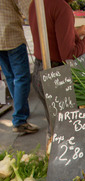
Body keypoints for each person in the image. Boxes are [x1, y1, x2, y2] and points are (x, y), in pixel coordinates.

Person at [29, 0, 85, 134]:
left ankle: (51, 149)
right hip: (55, 75)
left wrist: (75, 32)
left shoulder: (36, 3)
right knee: (66, 131)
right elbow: (69, 54)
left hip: (39, 71)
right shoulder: (62, 7)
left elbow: (50, 33)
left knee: (55, 126)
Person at [0, 0, 39, 136]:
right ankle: (20, 120)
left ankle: (20, 110)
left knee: (10, 76)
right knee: (22, 77)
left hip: (1, 37)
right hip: (12, 35)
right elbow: (29, 8)